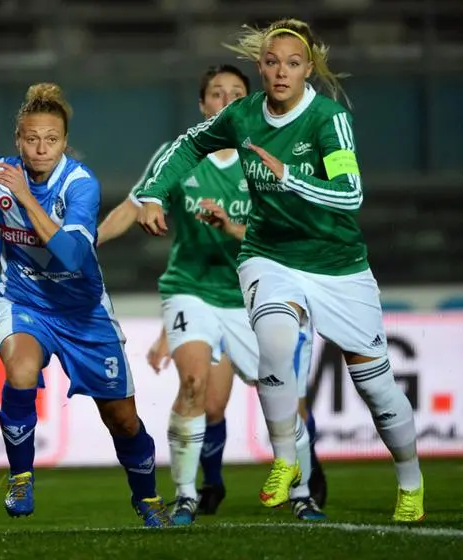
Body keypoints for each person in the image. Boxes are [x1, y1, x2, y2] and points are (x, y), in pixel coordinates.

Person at [134, 18, 424, 522]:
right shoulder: (243, 115)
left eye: (293, 63)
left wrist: (288, 177)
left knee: (376, 388)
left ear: (308, 69)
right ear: (261, 67)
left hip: (338, 265)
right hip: (270, 255)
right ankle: (287, 463)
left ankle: (410, 478)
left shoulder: (328, 119)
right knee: (275, 340)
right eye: (271, 63)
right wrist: (153, 192)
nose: (281, 72)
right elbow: (188, 145)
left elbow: (350, 195)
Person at [0, 83, 170, 527]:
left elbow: (74, 256)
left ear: (64, 143)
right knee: (20, 371)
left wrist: (22, 196)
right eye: (32, 139)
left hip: (83, 313)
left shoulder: (80, 185)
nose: (41, 149)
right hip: (23, 299)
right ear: (18, 141)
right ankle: (21, 475)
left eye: (51, 140)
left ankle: (148, 498)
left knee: (123, 421)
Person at [98, 65, 325, 524]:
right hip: (191, 289)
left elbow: (288, 235)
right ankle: (185, 494)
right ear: (203, 106)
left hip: (252, 293)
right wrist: (87, 241)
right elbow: (135, 203)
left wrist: (231, 226)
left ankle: (302, 490)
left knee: (281, 396)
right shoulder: (181, 154)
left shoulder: (265, 155)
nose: (225, 101)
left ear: (247, 102)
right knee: (195, 385)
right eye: (215, 95)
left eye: (235, 94)